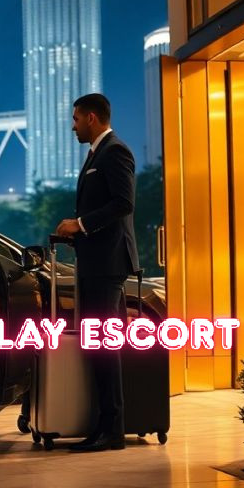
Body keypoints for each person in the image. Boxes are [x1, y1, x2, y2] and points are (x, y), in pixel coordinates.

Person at [54, 93, 138, 453]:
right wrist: (76, 235)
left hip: (108, 266)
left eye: (75, 119)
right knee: (98, 345)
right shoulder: (96, 154)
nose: (72, 126)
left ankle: (112, 431)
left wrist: (81, 224)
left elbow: (123, 203)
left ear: (91, 118)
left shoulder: (115, 151)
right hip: (94, 263)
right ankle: (104, 426)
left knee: (105, 347)